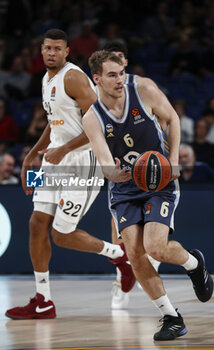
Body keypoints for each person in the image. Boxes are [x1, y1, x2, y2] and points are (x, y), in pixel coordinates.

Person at [83, 50, 214, 341]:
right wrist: (114, 174)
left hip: (158, 179)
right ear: (97, 79)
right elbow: (104, 162)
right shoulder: (92, 118)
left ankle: (194, 264)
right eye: (112, 75)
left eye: (121, 73)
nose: (120, 79)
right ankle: (171, 317)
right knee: (134, 253)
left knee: (155, 247)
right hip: (124, 189)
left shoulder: (143, 89)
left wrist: (174, 159)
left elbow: (173, 119)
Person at [5, 29, 134, 320]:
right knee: (37, 223)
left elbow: (99, 123)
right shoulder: (45, 79)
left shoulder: (73, 77)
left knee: (61, 235)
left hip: (82, 161)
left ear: (67, 51)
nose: (51, 53)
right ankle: (43, 301)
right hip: (54, 161)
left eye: (57, 49)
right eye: (47, 48)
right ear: (41, 50)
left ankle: (120, 256)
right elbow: (54, 123)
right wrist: (30, 155)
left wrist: (62, 151)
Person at [103, 41, 161, 310]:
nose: (116, 66)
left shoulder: (141, 86)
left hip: (149, 161)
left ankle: (152, 257)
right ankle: (121, 277)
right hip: (121, 163)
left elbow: (162, 119)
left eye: (120, 60)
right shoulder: (102, 92)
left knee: (155, 217)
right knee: (118, 226)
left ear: (125, 62)